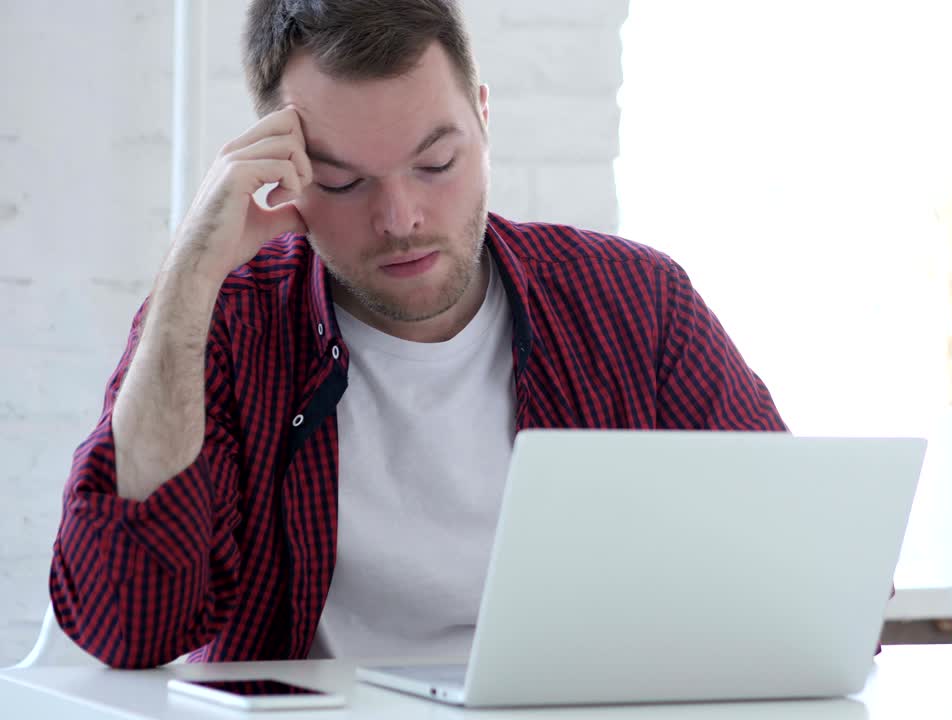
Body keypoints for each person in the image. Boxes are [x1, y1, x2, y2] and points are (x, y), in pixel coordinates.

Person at [49, 0, 785, 669]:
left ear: (485, 121)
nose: (400, 218)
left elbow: (801, 576)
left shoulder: (634, 302)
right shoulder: (227, 324)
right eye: (343, 182)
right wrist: (188, 278)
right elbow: (126, 627)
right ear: (286, 174)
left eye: (436, 164)